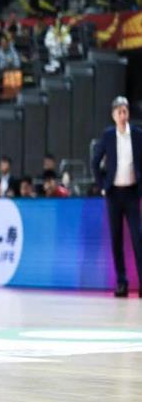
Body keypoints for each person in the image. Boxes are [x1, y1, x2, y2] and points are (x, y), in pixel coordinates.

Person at [92, 96, 142, 298]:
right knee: (116, 238)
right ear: (113, 115)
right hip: (114, 194)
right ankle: (121, 282)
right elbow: (95, 161)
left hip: (132, 193)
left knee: (138, 238)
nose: (122, 115)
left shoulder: (137, 134)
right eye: (119, 112)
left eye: (125, 111)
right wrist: (102, 186)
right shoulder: (108, 135)